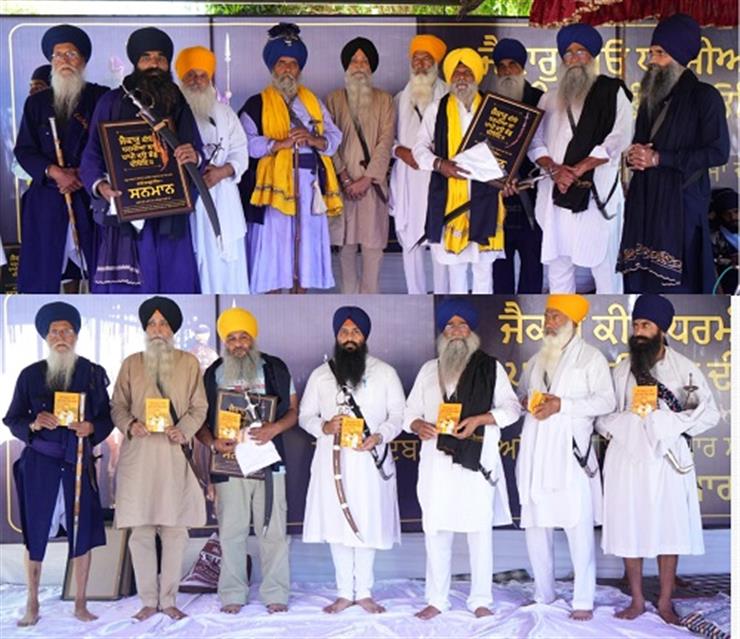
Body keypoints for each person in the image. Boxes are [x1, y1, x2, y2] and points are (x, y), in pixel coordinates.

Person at [596, 294, 720, 624]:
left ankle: (664, 602)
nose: (639, 331)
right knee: (629, 526)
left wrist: (664, 422)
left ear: (661, 330)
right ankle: (637, 600)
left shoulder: (684, 369)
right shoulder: (622, 371)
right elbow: (602, 418)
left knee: (669, 529)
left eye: (646, 325)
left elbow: (708, 415)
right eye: (636, 324)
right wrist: (631, 422)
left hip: (668, 459)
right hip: (628, 459)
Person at [403, 299, 521, 618]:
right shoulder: (429, 370)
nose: (456, 331)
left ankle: (481, 600)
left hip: (475, 463)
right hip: (436, 464)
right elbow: (409, 413)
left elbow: (512, 409)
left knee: (479, 533)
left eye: (462, 325)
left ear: (472, 332)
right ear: (443, 333)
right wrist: (417, 425)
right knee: (436, 532)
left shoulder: (490, 367)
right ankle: (436, 599)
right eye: (450, 326)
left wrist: (480, 420)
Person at [3, 302, 113, 626]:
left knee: (81, 535)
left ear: (75, 335)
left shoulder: (92, 373)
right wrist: (34, 423)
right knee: (35, 534)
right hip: (40, 467)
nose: (61, 336)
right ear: (46, 337)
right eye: (54, 331)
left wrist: (91, 428)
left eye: (66, 331)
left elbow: (107, 418)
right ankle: (32, 602)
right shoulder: (30, 375)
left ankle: (80, 603)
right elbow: (12, 418)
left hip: (77, 463)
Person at [80, 27, 203, 293]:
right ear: (136, 62)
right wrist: (101, 186)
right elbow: (91, 155)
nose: (154, 64)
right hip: (125, 213)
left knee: (174, 283)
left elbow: (195, 147)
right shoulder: (111, 101)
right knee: (131, 290)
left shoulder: (177, 101)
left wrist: (194, 155)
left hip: (169, 215)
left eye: (161, 58)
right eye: (146, 57)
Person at [516, 294, 615, 621]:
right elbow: (522, 396)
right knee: (536, 528)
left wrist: (563, 405)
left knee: (578, 527)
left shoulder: (591, 358)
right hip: (536, 455)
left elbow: (606, 402)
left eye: (556, 316)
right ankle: (543, 593)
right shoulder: (536, 359)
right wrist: (524, 402)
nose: (549, 322)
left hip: (570, 456)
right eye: (547, 315)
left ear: (573, 322)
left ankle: (582, 600)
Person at [299, 307, 404, 613]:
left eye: (355, 332)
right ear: (336, 336)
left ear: (365, 337)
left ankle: (365, 591)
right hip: (332, 463)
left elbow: (398, 415)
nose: (349, 337)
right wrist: (324, 427)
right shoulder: (321, 375)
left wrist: (379, 436)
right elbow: (305, 416)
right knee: (337, 524)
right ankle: (345, 592)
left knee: (367, 521)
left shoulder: (385, 372)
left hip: (369, 460)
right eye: (344, 332)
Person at [618, 14, 731, 293]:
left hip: (682, 205)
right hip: (646, 202)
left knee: (681, 287)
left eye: (660, 53)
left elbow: (718, 152)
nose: (652, 60)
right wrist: (634, 156)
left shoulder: (705, 96)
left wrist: (660, 159)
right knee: (643, 283)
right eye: (651, 52)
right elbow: (641, 144)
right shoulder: (651, 97)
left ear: (679, 57)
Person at [110, 296, 207, 621]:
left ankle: (169, 600)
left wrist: (184, 430)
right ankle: (148, 601)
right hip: (139, 458)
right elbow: (117, 406)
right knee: (141, 532)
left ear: (172, 330)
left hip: (172, 456)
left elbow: (199, 407)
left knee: (174, 531)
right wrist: (130, 425)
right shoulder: (131, 363)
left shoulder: (189, 363)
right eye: (151, 324)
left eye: (163, 324)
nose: (157, 329)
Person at [196, 307, 297, 614]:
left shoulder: (275, 367)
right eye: (232, 338)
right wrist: (212, 442)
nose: (238, 343)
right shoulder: (213, 373)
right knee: (231, 532)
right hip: (229, 466)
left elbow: (294, 410)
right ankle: (232, 594)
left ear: (253, 338)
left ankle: (276, 592)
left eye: (244, 337)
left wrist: (274, 428)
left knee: (273, 531)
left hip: (269, 463)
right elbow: (199, 420)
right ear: (224, 342)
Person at [239, 22, 343, 293]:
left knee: (304, 258)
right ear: (273, 68)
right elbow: (246, 144)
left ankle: (300, 295)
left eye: (293, 64)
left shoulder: (313, 103)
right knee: (275, 257)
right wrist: (280, 143)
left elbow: (334, 137)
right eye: (282, 63)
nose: (287, 69)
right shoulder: (257, 103)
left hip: (309, 188)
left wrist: (313, 139)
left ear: (299, 69)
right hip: (274, 191)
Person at [529, 24, 632, 293]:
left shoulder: (612, 92)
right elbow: (534, 142)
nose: (574, 58)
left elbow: (620, 137)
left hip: (596, 196)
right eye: (568, 53)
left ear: (592, 56)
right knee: (559, 270)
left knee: (605, 271)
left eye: (581, 52)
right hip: (556, 195)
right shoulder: (548, 99)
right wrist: (555, 170)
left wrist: (579, 168)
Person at [13, 24, 108, 292]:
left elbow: (110, 146)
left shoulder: (101, 97)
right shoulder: (36, 103)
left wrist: (82, 175)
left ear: (83, 61)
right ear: (51, 61)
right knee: (45, 275)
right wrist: (56, 173)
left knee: (96, 273)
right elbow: (24, 150)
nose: (64, 60)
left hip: (89, 196)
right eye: (57, 55)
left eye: (71, 54)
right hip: (47, 199)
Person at [413, 48, 505, 294]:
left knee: (484, 270)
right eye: (456, 72)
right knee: (457, 270)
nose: (461, 77)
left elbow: (506, 152)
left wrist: (507, 177)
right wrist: (440, 164)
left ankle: (482, 313)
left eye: (467, 72)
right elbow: (419, 149)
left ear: (477, 76)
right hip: (449, 198)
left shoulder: (493, 108)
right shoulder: (437, 109)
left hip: (486, 196)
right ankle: (461, 307)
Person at [175, 46, 250, 293]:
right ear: (181, 79)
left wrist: (222, 172)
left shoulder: (225, 113)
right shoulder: (172, 114)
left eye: (202, 75)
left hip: (223, 199)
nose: (197, 81)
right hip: (188, 200)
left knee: (226, 268)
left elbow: (240, 151)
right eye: (190, 75)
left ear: (210, 79)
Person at [327, 38, 395, 294]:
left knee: (372, 250)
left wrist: (366, 180)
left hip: (372, 188)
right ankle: (349, 298)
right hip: (342, 188)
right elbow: (328, 143)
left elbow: (385, 143)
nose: (359, 66)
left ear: (371, 67)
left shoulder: (385, 100)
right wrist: (345, 179)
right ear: (346, 66)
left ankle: (370, 300)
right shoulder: (333, 100)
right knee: (345, 250)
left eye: (364, 61)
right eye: (354, 61)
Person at [389, 34, 449, 294]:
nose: (421, 64)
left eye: (427, 58)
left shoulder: (449, 95)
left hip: (439, 177)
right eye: (417, 58)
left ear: (436, 63)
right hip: (409, 179)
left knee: (441, 245)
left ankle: (444, 294)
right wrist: (400, 151)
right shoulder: (399, 98)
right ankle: (415, 293)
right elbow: (385, 139)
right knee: (411, 245)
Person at [488, 39, 545, 294]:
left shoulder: (540, 99)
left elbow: (546, 146)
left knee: (533, 265)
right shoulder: (488, 102)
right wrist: (499, 180)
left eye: (513, 64)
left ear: (522, 68)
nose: (507, 71)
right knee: (500, 268)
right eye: (501, 66)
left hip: (532, 197)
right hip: (498, 198)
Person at [709, 188, 738, 293]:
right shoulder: (714, 237)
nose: (733, 217)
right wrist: (730, 260)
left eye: (736, 211)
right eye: (727, 214)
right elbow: (711, 263)